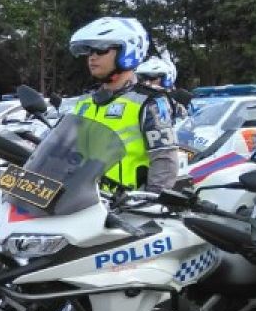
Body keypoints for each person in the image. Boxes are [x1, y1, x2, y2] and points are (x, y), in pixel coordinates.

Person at [70, 17, 179, 191]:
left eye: (101, 50)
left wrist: (151, 201)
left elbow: (165, 160)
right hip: (79, 201)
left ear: (127, 51)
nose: (92, 57)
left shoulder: (150, 101)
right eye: (90, 51)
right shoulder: (85, 102)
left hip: (123, 208)